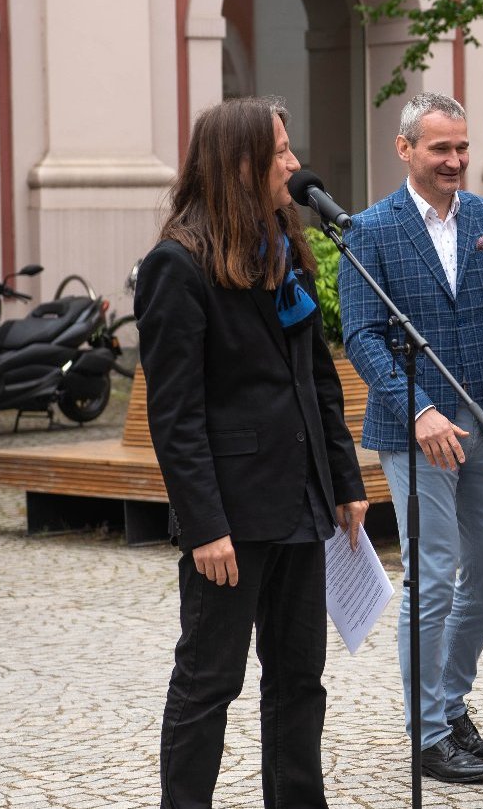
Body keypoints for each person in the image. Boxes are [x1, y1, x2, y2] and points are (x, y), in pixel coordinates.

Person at [135, 96, 370, 809]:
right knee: (210, 681)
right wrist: (203, 524)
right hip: (232, 516)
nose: (295, 164)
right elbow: (174, 415)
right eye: (281, 151)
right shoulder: (177, 266)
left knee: (300, 678)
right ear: (241, 163)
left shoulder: (282, 244)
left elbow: (317, 377)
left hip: (301, 502)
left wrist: (343, 477)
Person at [338, 91, 483, 783]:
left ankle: (451, 706)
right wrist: (418, 410)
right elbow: (361, 337)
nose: (455, 160)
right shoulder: (369, 231)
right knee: (434, 576)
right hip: (414, 429)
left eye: (461, 147)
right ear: (405, 150)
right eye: (439, 149)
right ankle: (426, 734)